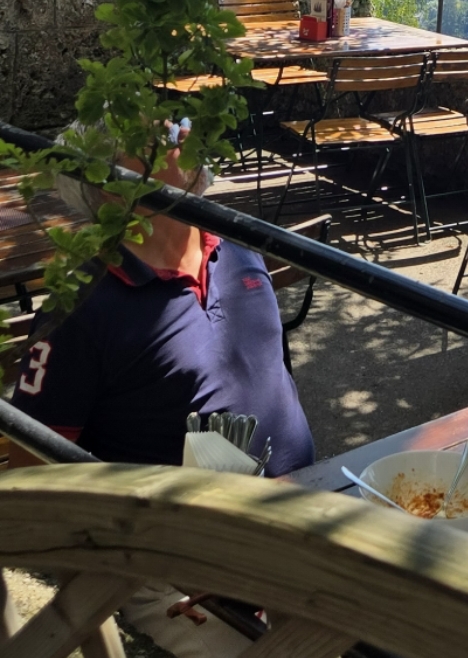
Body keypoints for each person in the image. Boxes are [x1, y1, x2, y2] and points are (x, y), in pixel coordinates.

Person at [14, 144, 314, 474]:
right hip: (190, 508)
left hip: (313, 487)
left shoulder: (237, 244)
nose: (184, 133)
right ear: (109, 181)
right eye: (158, 134)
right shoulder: (78, 309)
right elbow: (31, 471)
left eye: (181, 122)